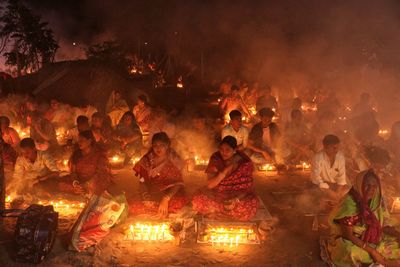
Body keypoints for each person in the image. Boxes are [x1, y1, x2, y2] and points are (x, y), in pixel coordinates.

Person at [327, 170, 400, 266]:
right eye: (367, 185)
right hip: (353, 240)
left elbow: (383, 222)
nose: (371, 189)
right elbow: (348, 235)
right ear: (359, 184)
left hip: (373, 237)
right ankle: (383, 261)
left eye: (374, 186)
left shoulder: (376, 201)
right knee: (348, 251)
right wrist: (372, 251)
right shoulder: (349, 204)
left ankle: (378, 257)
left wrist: (396, 233)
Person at [192, 136, 259, 221]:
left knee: (252, 203)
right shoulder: (216, 158)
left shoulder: (244, 162)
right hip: (218, 194)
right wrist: (225, 170)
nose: (223, 153)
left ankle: (217, 214)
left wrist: (236, 200)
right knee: (198, 199)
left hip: (238, 196)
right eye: (221, 149)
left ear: (234, 150)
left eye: (227, 150)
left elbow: (247, 188)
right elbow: (210, 185)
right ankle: (231, 215)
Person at [129, 132, 188, 218]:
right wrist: (146, 197)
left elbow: (178, 183)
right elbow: (142, 180)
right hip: (152, 191)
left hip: (170, 192)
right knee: (134, 205)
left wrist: (165, 199)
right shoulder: (147, 160)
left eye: (162, 145)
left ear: (167, 145)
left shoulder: (174, 159)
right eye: (155, 145)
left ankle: (160, 208)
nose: (158, 148)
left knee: (178, 204)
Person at [58, 130, 113, 195]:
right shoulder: (76, 155)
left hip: (94, 182)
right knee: (61, 184)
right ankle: (78, 190)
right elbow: (73, 172)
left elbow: (100, 174)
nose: (79, 143)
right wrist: (76, 183)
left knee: (96, 185)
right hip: (80, 181)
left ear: (89, 141)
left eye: (82, 140)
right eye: (79, 141)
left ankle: (84, 191)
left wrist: (86, 184)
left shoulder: (99, 155)